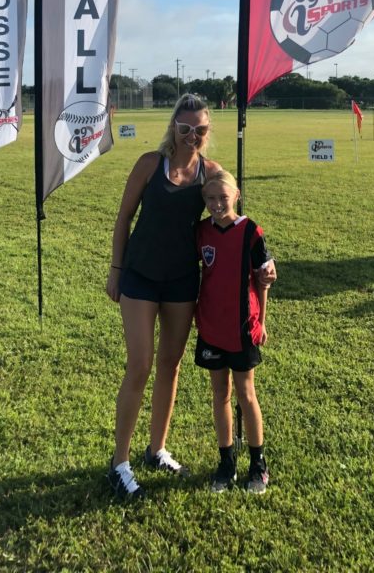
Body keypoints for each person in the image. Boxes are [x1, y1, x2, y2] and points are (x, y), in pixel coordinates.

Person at [105, 93, 275, 501]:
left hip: (182, 283)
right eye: (185, 128)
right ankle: (119, 463)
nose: (192, 136)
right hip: (140, 278)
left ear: (207, 131)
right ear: (173, 128)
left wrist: (266, 265)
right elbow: (124, 217)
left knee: (170, 365)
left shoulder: (211, 173)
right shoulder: (150, 163)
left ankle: (156, 449)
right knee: (141, 364)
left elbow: (234, 224)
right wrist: (116, 268)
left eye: (200, 129)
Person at [195, 170, 272, 495]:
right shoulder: (200, 232)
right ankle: (226, 462)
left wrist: (263, 321)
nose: (216, 204)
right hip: (211, 325)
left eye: (222, 198)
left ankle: (257, 462)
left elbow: (262, 279)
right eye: (210, 199)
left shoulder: (251, 232)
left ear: (236, 195)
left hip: (242, 326)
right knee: (219, 394)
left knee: (246, 393)